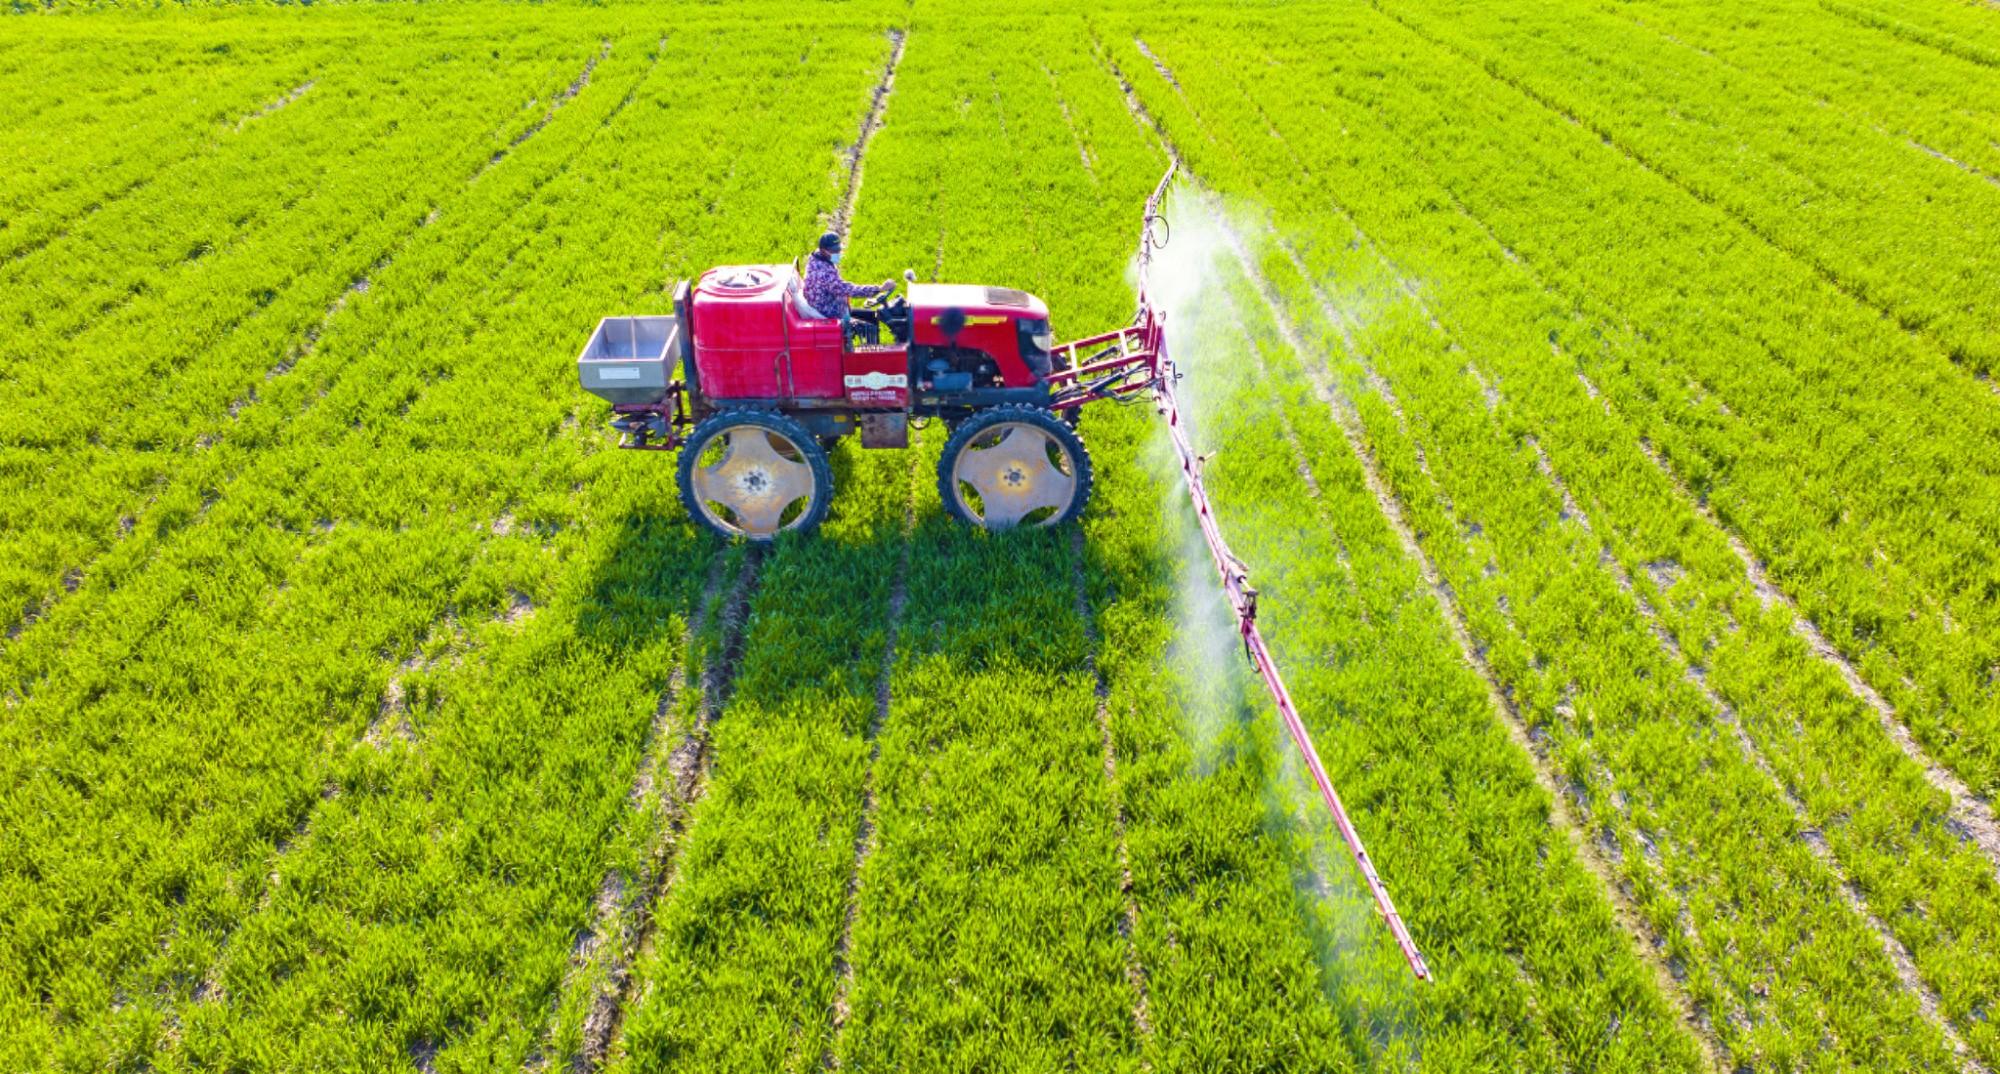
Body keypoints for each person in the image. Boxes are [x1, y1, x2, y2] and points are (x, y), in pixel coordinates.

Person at [803, 231, 895, 344]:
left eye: (839, 250)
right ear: (823, 250)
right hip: (832, 315)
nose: (838, 253)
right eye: (834, 251)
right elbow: (849, 289)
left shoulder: (818, 259)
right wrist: (879, 288)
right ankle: (869, 358)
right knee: (871, 327)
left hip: (834, 307)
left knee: (872, 316)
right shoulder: (822, 273)